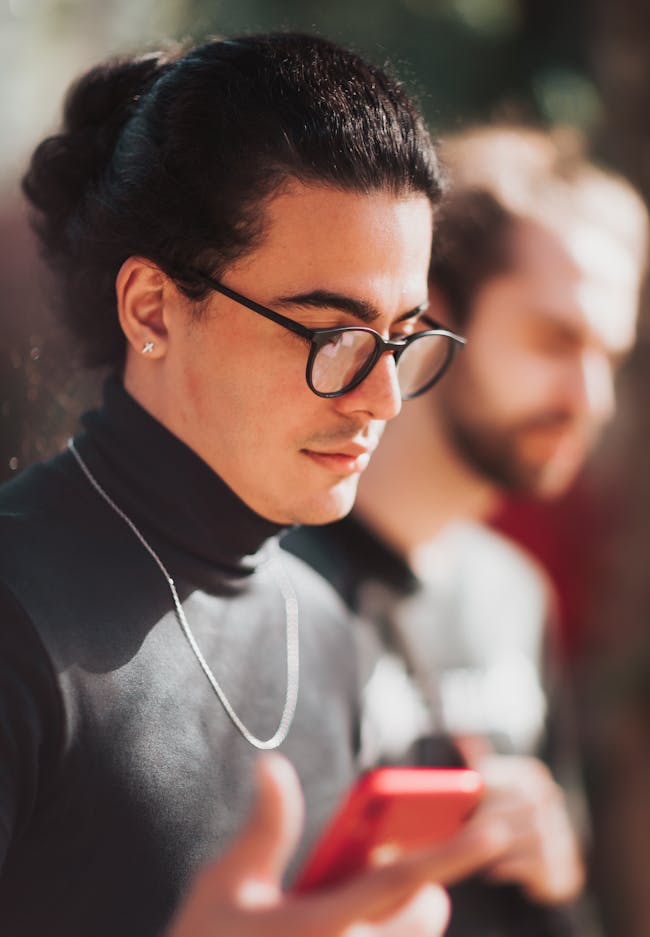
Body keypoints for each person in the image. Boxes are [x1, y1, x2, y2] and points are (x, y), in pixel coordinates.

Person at [0, 35, 513, 937]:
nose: (383, 397)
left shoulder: (326, 620)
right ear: (153, 308)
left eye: (401, 336)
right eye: (333, 334)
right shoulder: (18, 614)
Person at [284, 124, 650, 935]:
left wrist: (558, 875)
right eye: (557, 339)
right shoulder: (260, 582)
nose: (593, 398)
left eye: (609, 355)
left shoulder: (516, 596)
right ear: (431, 319)